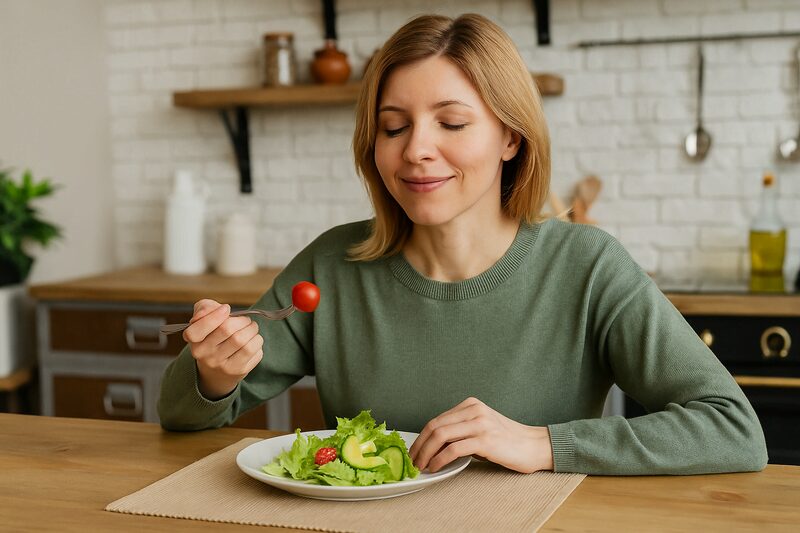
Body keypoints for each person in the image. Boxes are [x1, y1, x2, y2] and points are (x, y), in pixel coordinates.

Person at [158, 13, 767, 476]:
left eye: (451, 123)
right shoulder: (333, 266)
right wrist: (212, 376)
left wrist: (544, 443)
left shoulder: (586, 266)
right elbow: (181, 415)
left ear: (510, 137)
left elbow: (733, 430)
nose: (416, 148)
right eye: (394, 127)